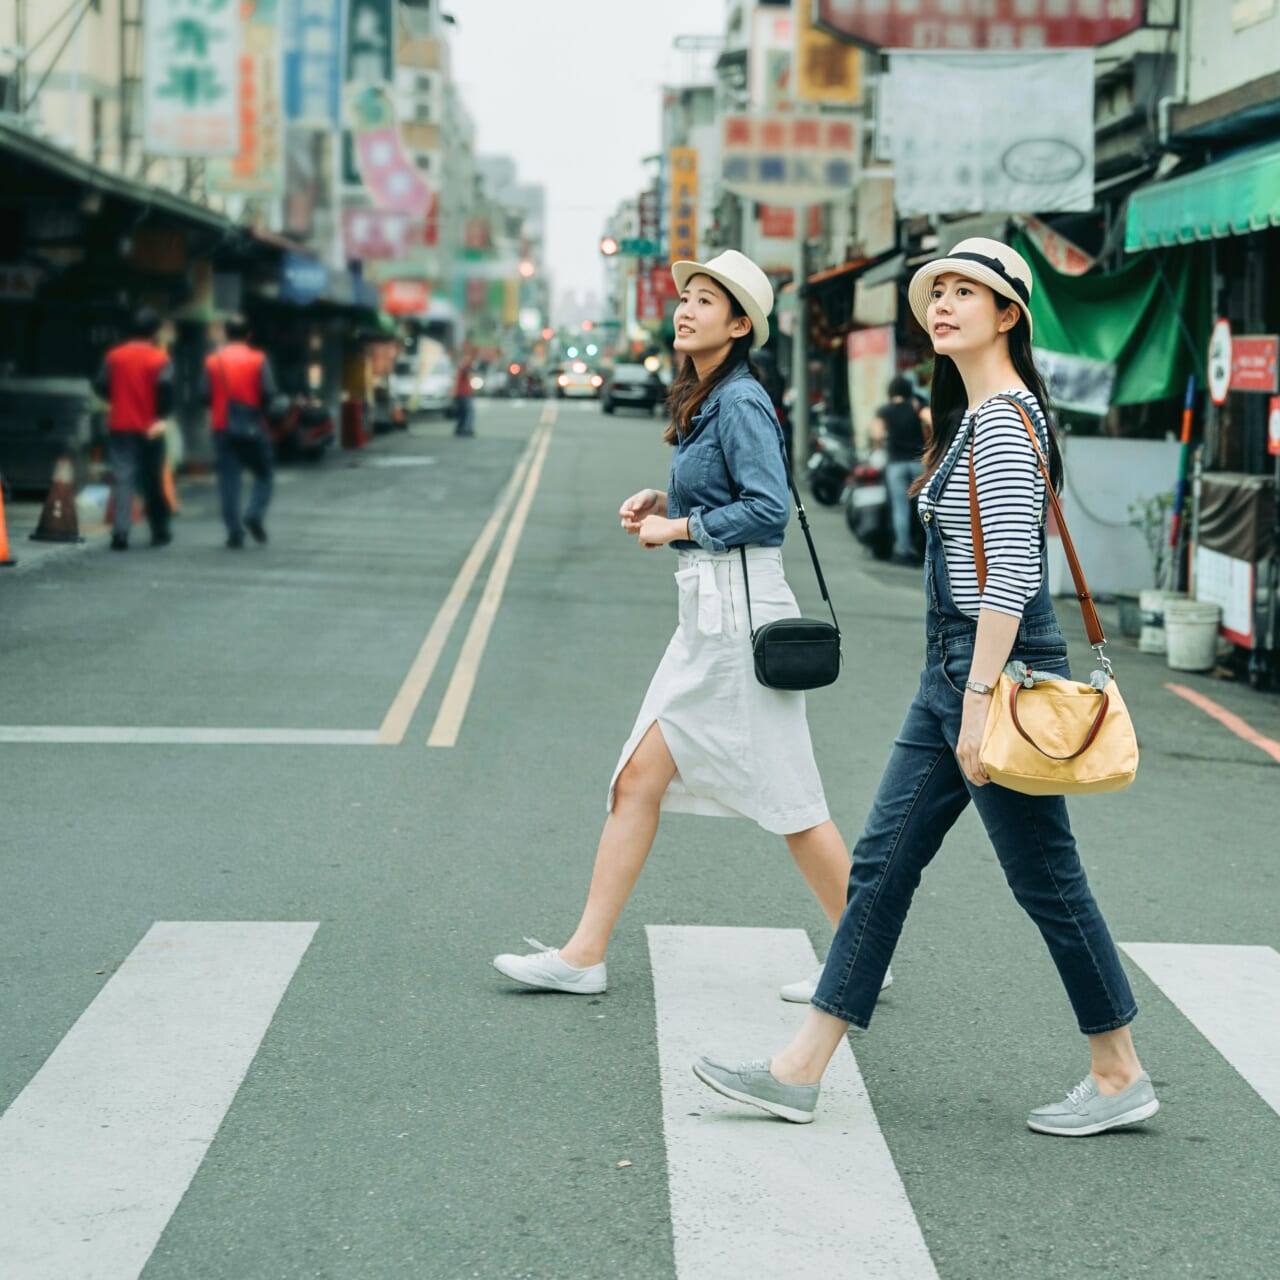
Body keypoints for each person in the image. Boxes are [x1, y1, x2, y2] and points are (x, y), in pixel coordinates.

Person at [694, 238, 1158, 1138]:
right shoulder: (977, 414)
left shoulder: (1004, 420)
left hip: (993, 667)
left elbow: (1011, 573)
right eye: (936, 291)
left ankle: (1119, 1070)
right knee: (882, 866)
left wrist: (978, 703)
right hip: (957, 668)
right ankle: (800, 1068)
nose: (942, 304)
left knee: (1045, 878)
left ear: (1009, 315)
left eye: (964, 292)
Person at [492, 250, 890, 1003]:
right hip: (709, 616)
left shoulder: (739, 400)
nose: (686, 309)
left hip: (738, 618)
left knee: (791, 801)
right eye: (687, 297)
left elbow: (767, 510)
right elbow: (727, 494)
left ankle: (862, 955)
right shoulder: (708, 396)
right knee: (637, 780)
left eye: (707, 301)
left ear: (740, 326)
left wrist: (676, 527)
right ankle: (584, 954)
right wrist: (663, 502)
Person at [94, 307, 173, 551]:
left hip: (120, 424)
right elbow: (166, 390)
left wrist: (117, 399)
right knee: (152, 478)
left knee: (123, 477)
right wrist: (161, 417)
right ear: (154, 331)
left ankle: (120, 532)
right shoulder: (160, 358)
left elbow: (101, 384)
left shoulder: (114, 356)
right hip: (150, 427)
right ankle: (159, 531)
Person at [201, 316, 277, 549]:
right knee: (264, 473)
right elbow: (269, 392)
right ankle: (254, 513)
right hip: (253, 426)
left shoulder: (212, 361)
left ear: (226, 333)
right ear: (248, 334)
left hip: (223, 427)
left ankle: (234, 532)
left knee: (229, 480)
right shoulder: (258, 359)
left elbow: (203, 395)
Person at [870, 375, 927, 565]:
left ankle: (903, 549)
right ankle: (927, 547)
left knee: (900, 508)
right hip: (918, 463)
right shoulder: (916, 406)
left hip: (896, 464)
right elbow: (932, 420)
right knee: (924, 507)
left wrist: (881, 444)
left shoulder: (885, 411)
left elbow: (877, 434)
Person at [453, 348, 475, 437]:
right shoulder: (465, 367)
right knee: (469, 411)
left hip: (460, 393)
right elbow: (469, 378)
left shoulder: (461, 366)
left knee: (462, 412)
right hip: (464, 393)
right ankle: (467, 428)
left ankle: (459, 428)